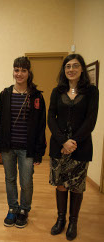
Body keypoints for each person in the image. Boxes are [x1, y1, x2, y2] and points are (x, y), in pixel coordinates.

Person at [48, 54, 99, 241]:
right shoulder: (57, 91)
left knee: (77, 186)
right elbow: (50, 119)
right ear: (64, 70)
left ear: (82, 69)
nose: (71, 69)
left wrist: (73, 142)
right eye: (68, 66)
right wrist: (63, 141)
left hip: (81, 147)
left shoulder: (92, 91)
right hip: (59, 147)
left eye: (75, 66)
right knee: (61, 185)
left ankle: (73, 222)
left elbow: (90, 121)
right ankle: (60, 220)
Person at [0, 56, 46, 228]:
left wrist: (39, 151)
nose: (19, 73)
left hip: (27, 149)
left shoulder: (36, 96)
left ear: (29, 72)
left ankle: (24, 210)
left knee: (26, 182)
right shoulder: (5, 94)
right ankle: (12, 208)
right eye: (17, 70)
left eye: (23, 70)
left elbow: (40, 126)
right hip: (8, 147)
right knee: (9, 179)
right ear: (13, 71)